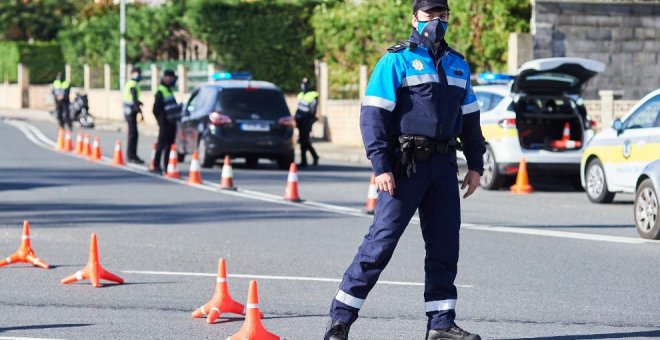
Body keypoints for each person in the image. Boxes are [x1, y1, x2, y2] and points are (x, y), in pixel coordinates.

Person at [324, 1, 484, 339]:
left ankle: (440, 325)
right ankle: (340, 320)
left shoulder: (458, 65)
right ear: (415, 19)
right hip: (405, 165)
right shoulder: (395, 60)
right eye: (430, 15)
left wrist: (476, 164)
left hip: (443, 165)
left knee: (444, 246)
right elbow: (373, 117)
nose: (436, 21)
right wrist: (381, 166)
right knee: (380, 242)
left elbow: (470, 119)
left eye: (443, 15)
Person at [151, 69, 181, 174]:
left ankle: (167, 165)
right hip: (165, 123)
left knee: (169, 145)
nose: (173, 81)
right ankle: (156, 165)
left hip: (171, 123)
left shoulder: (169, 90)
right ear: (166, 78)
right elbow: (156, 109)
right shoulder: (161, 91)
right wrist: (161, 121)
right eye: (172, 78)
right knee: (161, 144)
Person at [295, 77, 320, 167]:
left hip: (307, 122)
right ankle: (313, 157)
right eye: (303, 83)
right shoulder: (300, 95)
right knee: (304, 141)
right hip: (300, 121)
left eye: (306, 84)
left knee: (303, 140)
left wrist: (310, 122)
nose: (304, 85)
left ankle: (305, 161)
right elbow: (298, 109)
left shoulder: (313, 95)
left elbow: (313, 110)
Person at [123, 67, 145, 164]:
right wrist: (140, 112)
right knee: (133, 134)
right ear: (132, 74)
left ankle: (132, 155)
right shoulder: (132, 85)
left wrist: (139, 103)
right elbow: (134, 99)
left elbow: (133, 99)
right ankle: (131, 156)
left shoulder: (131, 84)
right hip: (130, 112)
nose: (138, 75)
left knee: (133, 134)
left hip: (129, 112)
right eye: (137, 73)